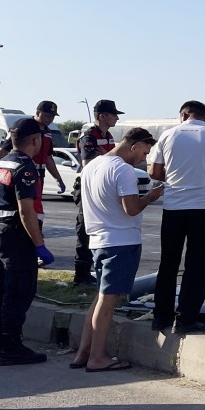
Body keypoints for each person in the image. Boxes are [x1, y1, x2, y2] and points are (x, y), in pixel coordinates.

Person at [72, 128, 164, 371]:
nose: (143, 159)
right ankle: (97, 357)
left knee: (101, 297)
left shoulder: (92, 166)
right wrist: (150, 198)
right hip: (120, 241)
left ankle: (84, 352)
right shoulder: (123, 170)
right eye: (144, 152)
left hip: (98, 240)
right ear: (134, 146)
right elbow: (131, 209)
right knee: (108, 299)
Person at [148, 100, 205, 335]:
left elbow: (154, 172)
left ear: (183, 115)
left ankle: (161, 317)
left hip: (174, 208)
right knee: (197, 265)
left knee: (168, 263)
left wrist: (176, 172)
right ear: (204, 118)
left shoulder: (168, 135)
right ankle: (186, 319)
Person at [0, 118, 55, 365]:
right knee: (18, 291)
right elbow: (26, 211)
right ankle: (11, 347)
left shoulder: (0, 163)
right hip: (16, 234)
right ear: (35, 141)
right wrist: (39, 244)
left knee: (0, 290)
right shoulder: (25, 167)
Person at [73, 99, 124, 286]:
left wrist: (104, 155)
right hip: (88, 187)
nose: (117, 118)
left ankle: (90, 272)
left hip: (102, 186)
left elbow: (116, 158)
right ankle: (81, 275)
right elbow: (88, 164)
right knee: (85, 230)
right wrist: (106, 156)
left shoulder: (108, 135)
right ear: (102, 116)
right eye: (114, 114)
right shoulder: (89, 136)